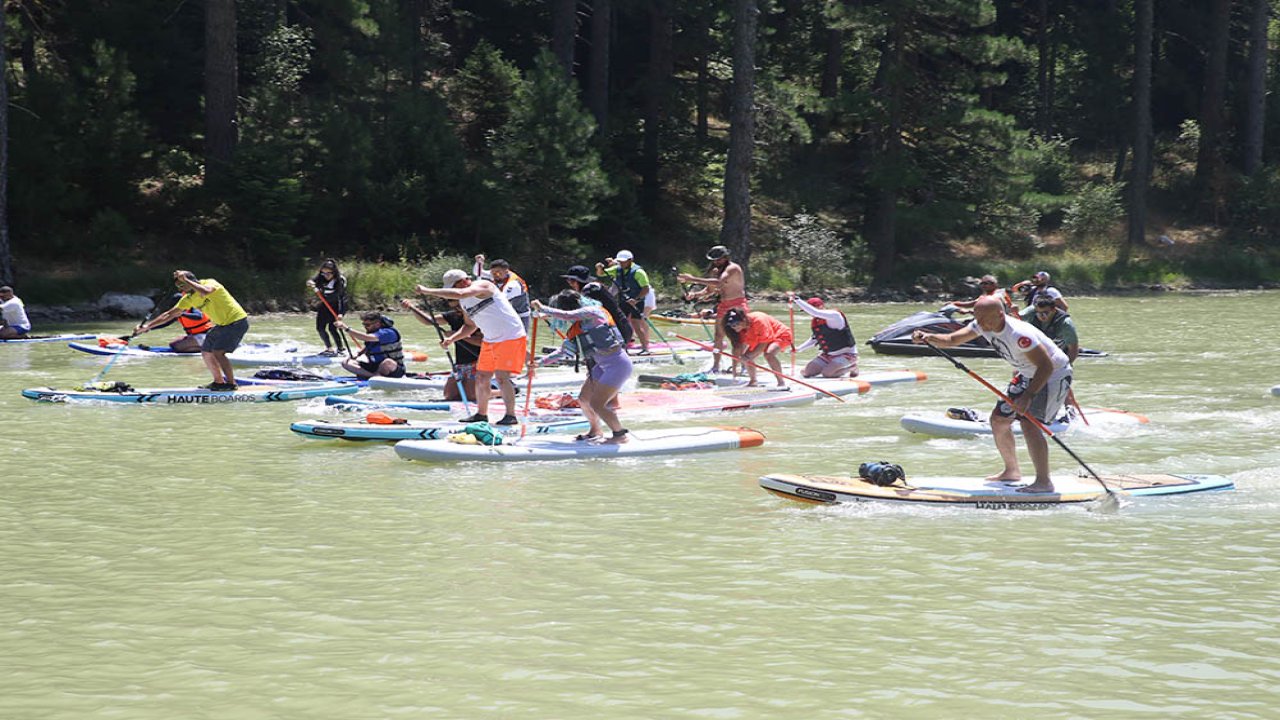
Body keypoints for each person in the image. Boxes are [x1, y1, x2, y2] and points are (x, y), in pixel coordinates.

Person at [912, 296, 1073, 494]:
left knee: (1029, 424)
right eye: (977, 319)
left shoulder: (1019, 335)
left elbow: (1046, 366)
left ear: (1000, 314)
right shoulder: (981, 323)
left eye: (986, 320)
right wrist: (928, 337)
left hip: (1052, 375)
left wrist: (1028, 395)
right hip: (1027, 373)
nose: (982, 325)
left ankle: (1043, 482)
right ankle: (1012, 471)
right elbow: (952, 340)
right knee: (998, 420)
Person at [414, 269, 527, 425]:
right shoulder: (464, 302)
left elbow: (460, 293)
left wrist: (427, 291)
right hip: (490, 339)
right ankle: (481, 414)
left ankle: (510, 416)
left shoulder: (484, 285)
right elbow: (469, 325)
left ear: (463, 281)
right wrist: (452, 339)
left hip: (510, 336)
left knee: (501, 378)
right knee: (481, 377)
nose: (452, 291)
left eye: (453, 287)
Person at [532, 290, 633, 444]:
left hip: (617, 364)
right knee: (584, 399)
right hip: (601, 366)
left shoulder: (594, 312)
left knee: (597, 404)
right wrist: (539, 363)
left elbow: (568, 315)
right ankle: (595, 431)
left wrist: (543, 308)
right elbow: (563, 352)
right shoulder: (577, 329)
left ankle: (620, 435)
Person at [135, 271, 250, 390]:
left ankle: (231, 384)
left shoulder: (210, 282)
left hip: (237, 321)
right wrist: (147, 327)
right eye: (178, 287)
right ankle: (219, 382)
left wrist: (186, 280)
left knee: (218, 352)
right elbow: (168, 315)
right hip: (221, 325)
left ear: (191, 280)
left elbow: (206, 291)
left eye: (182, 285)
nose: (180, 290)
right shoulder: (188, 299)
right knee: (206, 351)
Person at [677, 245, 747, 373]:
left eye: (719, 259)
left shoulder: (733, 268)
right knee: (718, 336)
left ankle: (743, 366)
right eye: (714, 260)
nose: (716, 262)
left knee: (737, 337)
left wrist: (692, 279)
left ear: (726, 258)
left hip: (737, 305)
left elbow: (719, 283)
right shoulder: (716, 271)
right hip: (723, 305)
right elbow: (709, 290)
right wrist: (695, 295)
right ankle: (716, 366)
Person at [401, 297, 482, 401]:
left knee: (471, 396)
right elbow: (429, 321)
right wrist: (412, 308)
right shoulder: (452, 316)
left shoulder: (479, 317)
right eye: (453, 305)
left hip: (479, 360)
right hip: (460, 362)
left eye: (459, 306)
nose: (457, 310)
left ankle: (499, 393)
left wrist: (457, 336)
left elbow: (482, 342)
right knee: (450, 396)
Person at [788, 292, 858, 378]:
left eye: (809, 310)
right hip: (828, 355)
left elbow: (815, 312)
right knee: (805, 373)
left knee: (827, 374)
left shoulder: (834, 315)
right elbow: (814, 340)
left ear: (821, 306)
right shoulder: (817, 321)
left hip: (847, 354)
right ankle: (832, 367)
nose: (809, 313)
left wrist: (797, 299)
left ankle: (852, 367)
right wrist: (798, 349)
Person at [561, 265, 634, 346]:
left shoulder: (589, 290)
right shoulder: (594, 287)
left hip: (618, 332)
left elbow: (580, 313)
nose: (570, 283)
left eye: (571, 281)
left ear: (579, 281)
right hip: (620, 329)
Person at [596, 250, 652, 354]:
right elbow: (601, 274)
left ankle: (645, 348)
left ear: (630, 260)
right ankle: (623, 348)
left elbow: (646, 289)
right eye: (620, 262)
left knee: (636, 324)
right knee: (621, 323)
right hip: (624, 300)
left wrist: (636, 299)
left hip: (637, 301)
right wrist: (599, 268)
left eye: (623, 262)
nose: (621, 264)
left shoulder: (639, 272)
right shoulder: (617, 269)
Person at [723, 308, 793, 389]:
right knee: (747, 356)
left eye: (736, 324)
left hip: (780, 334)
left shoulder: (758, 320)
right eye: (732, 325)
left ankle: (781, 382)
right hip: (760, 338)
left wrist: (747, 357)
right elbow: (738, 348)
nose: (734, 327)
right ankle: (753, 381)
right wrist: (734, 369)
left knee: (768, 354)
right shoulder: (740, 330)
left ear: (744, 319)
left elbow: (763, 343)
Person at [333, 311, 407, 379]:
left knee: (387, 362)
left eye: (367, 325)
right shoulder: (373, 332)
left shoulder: (388, 333)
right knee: (346, 362)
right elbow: (370, 346)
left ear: (378, 324)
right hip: (375, 366)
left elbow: (366, 337)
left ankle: (374, 376)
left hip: (393, 369)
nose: (365, 327)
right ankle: (373, 376)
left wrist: (345, 328)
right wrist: (358, 354)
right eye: (364, 324)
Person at [474, 254, 532, 333]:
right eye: (493, 273)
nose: (495, 276)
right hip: (505, 315)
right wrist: (479, 263)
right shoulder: (497, 275)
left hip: (520, 317)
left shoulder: (513, 284)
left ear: (506, 271)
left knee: (517, 343)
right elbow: (478, 273)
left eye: (498, 273)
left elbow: (500, 300)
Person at [141, 292, 213, 353]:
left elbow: (198, 316)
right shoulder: (178, 312)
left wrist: (182, 314)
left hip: (207, 335)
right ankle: (202, 349)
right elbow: (167, 323)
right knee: (173, 344)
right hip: (196, 336)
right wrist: (149, 328)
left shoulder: (192, 307)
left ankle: (208, 349)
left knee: (177, 347)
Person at [1020, 295, 1080, 364]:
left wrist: (1066, 365)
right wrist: (1012, 312)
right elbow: (1012, 320)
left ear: (1054, 310)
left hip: (1059, 353)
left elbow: (1074, 349)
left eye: (1045, 313)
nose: (1042, 316)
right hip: (1038, 351)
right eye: (1038, 313)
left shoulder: (1065, 323)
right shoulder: (1032, 311)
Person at [306, 259, 348, 356]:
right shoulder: (321, 276)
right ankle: (329, 349)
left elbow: (341, 298)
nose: (326, 275)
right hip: (325, 305)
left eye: (329, 273)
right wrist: (310, 283)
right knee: (320, 327)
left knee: (332, 328)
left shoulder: (339, 280)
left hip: (337, 306)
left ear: (334, 272)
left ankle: (340, 348)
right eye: (324, 273)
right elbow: (311, 280)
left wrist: (340, 313)